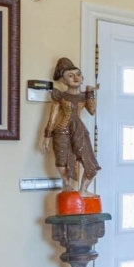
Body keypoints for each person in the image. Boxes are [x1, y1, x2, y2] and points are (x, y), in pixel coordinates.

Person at [43, 58, 100, 196]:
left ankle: (83, 190)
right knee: (62, 160)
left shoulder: (84, 96)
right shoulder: (60, 96)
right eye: (70, 75)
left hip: (79, 130)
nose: (75, 77)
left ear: (82, 78)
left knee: (92, 165)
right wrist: (47, 136)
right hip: (61, 131)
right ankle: (66, 183)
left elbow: (92, 111)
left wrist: (90, 92)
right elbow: (53, 117)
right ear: (64, 81)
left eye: (78, 74)